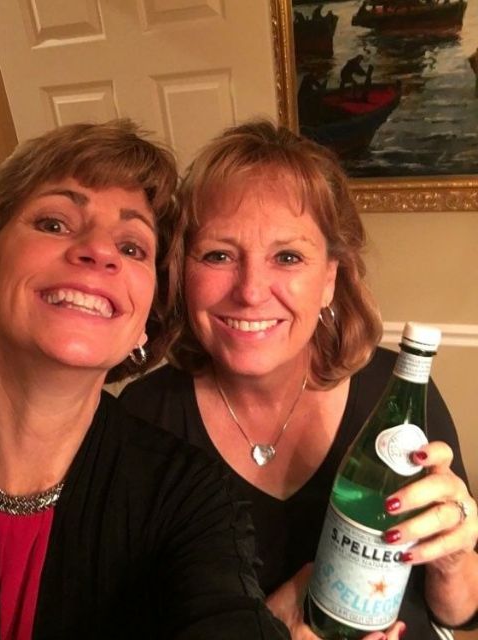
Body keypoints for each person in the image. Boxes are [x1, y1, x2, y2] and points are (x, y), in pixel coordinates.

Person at [120, 120, 478, 640]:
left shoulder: (393, 393)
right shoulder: (143, 421)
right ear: (181, 271)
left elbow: (459, 613)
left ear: (329, 278)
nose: (250, 291)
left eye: (287, 257)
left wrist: (453, 559)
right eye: (219, 255)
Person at [0, 119, 292, 640]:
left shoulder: (191, 494)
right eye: (54, 223)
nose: (98, 251)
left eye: (133, 247)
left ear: (146, 322)